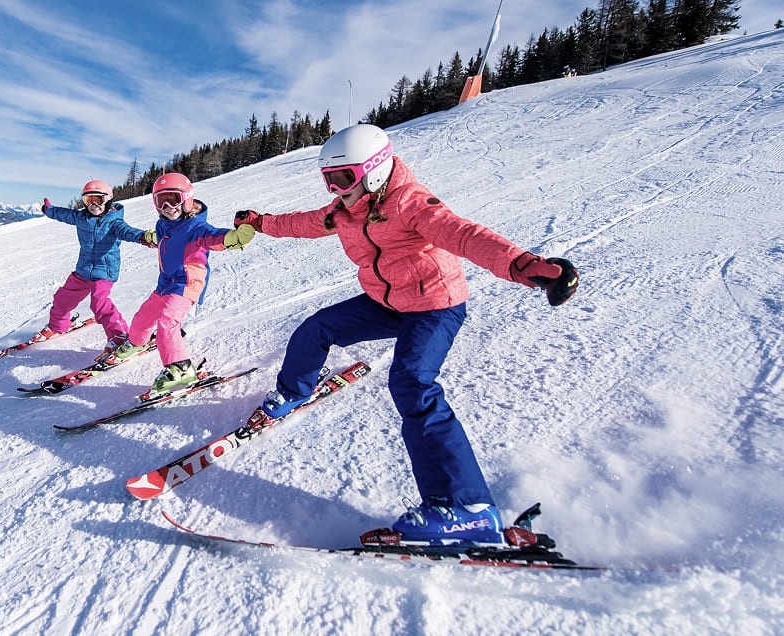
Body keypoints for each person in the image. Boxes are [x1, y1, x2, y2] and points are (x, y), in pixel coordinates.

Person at [233, 124, 578, 546]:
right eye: (328, 179)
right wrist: (262, 222)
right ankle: (292, 392)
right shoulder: (346, 209)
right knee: (315, 328)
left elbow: (464, 234)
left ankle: (466, 508)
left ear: (374, 171)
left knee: (413, 382)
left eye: (342, 178)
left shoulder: (411, 204)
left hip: (434, 306)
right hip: (388, 302)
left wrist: (521, 264)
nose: (335, 189)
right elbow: (303, 223)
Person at [102, 172, 255, 397]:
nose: (167, 206)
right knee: (144, 316)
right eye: (160, 201)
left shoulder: (197, 228)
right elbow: (163, 237)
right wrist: (151, 238)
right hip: (166, 282)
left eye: (173, 199)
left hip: (188, 282)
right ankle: (136, 342)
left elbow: (216, 237)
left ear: (187, 199)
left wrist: (236, 237)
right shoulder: (163, 223)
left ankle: (180, 368)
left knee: (167, 320)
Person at [40, 180, 156, 352]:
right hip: (83, 270)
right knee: (62, 298)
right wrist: (48, 210)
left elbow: (128, 231)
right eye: (89, 200)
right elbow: (63, 214)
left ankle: (118, 335)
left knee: (99, 302)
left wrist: (144, 237)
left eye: (98, 200)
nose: (93, 205)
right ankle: (58, 326)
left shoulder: (114, 222)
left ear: (107, 200)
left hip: (105, 272)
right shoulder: (81, 218)